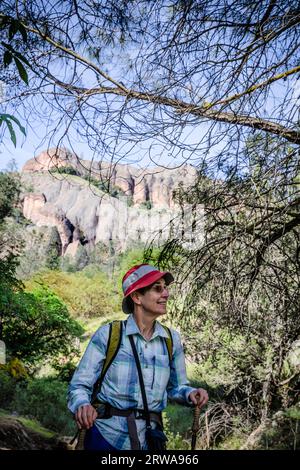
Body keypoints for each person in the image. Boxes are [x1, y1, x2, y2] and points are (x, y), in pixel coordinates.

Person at [67, 264, 209, 450]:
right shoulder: (108, 335)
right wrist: (83, 405)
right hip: (105, 437)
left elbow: (176, 387)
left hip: (151, 441)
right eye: (157, 288)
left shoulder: (171, 339)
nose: (165, 294)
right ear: (136, 297)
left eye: (165, 288)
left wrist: (189, 393)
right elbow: (79, 385)